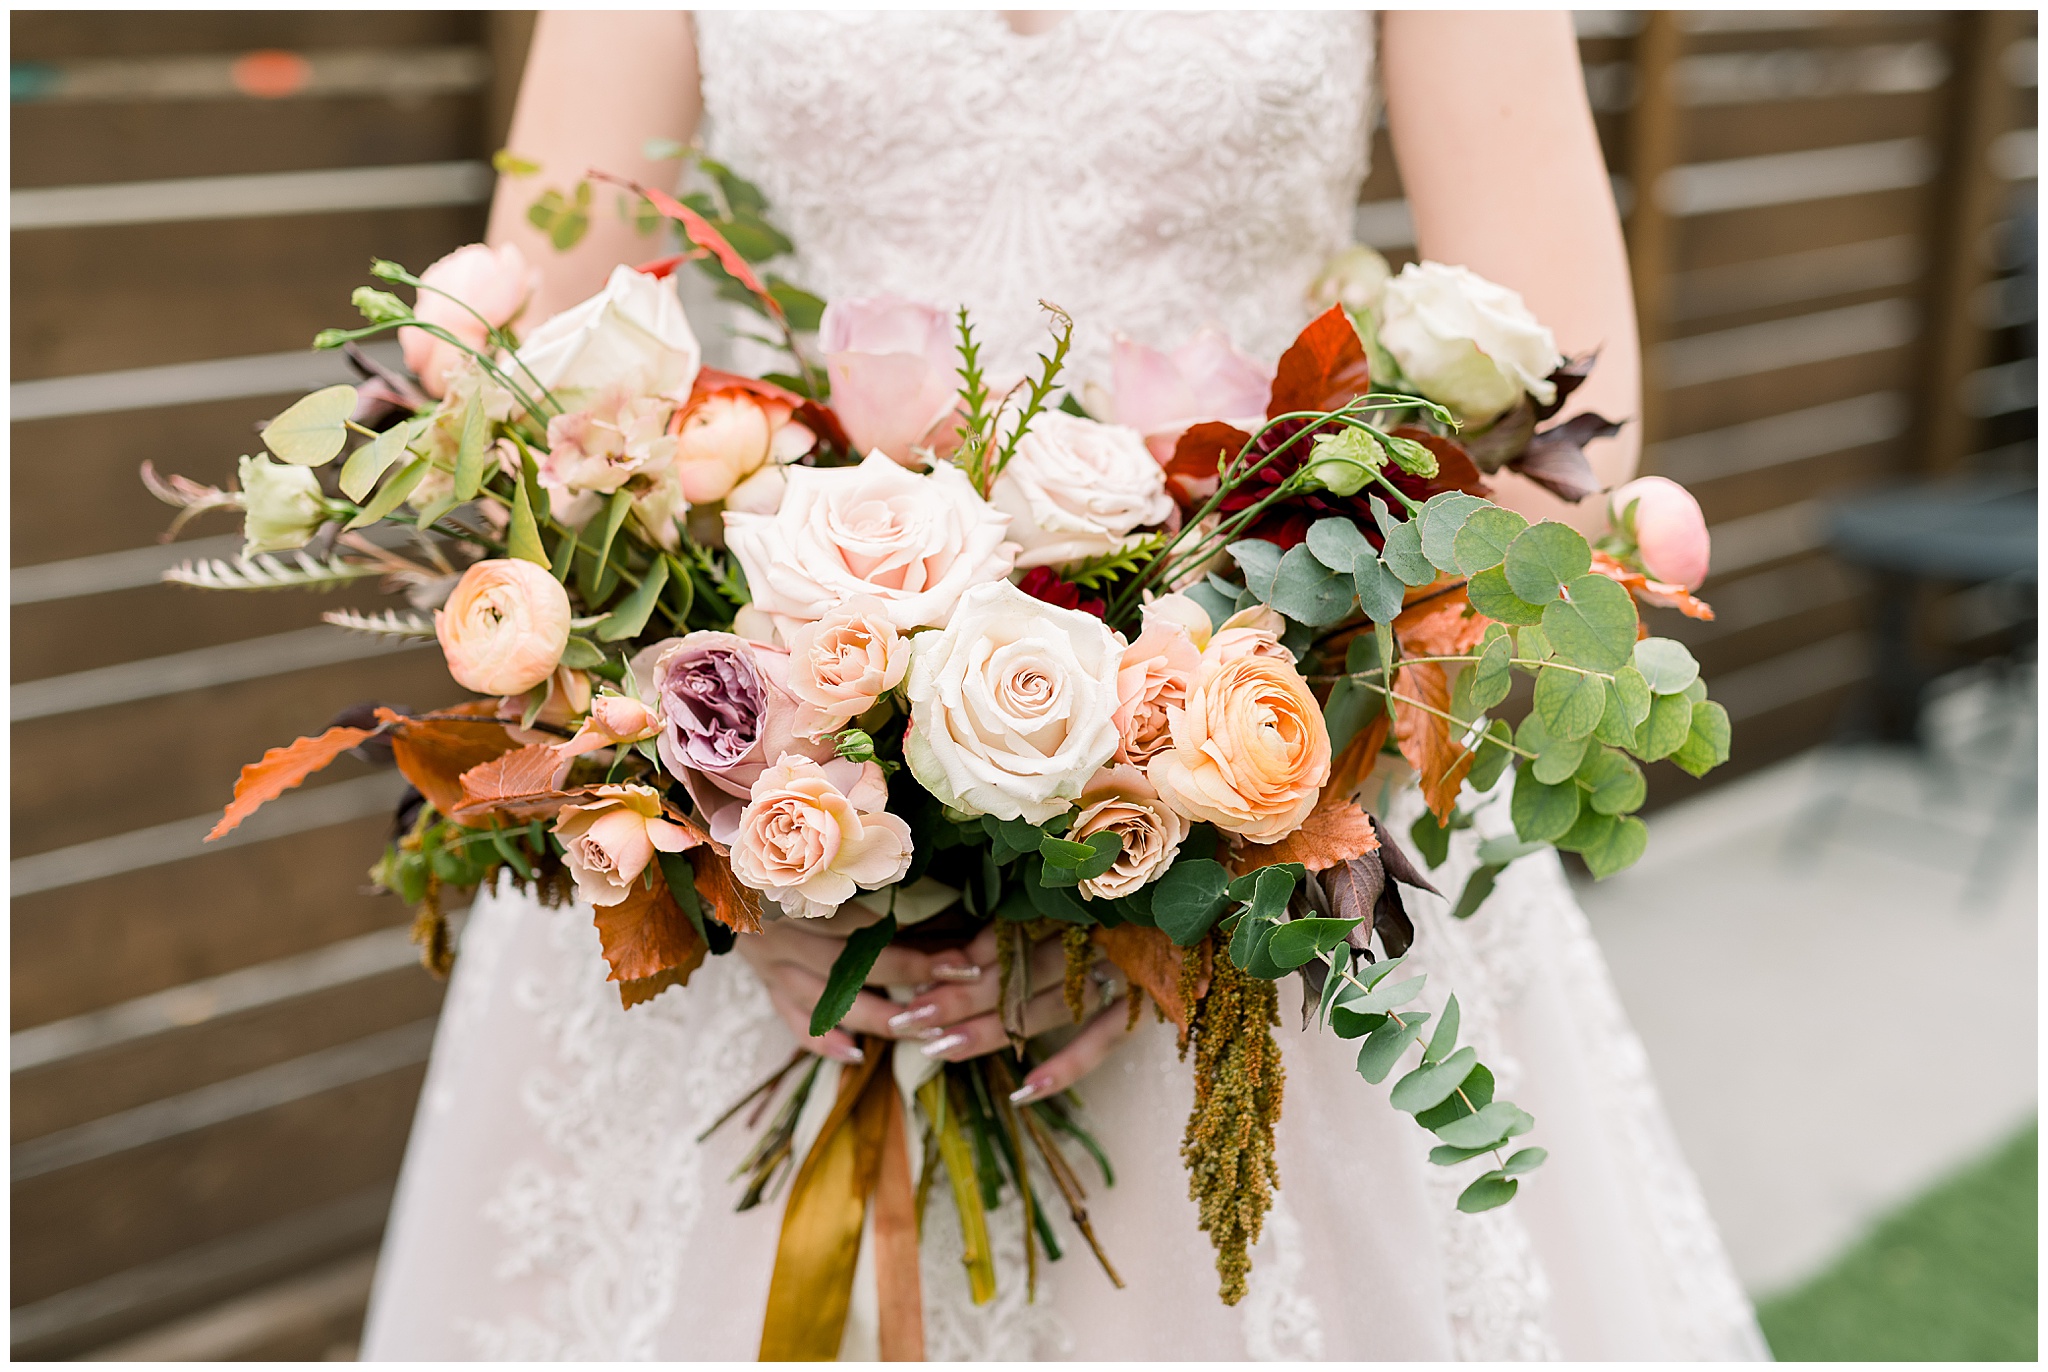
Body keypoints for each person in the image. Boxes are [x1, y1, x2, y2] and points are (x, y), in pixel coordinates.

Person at [361, 12, 1766, 1359]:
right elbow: (527, 387)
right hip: (775, 799)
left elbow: (1561, 457)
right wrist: (734, 846)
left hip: (1260, 830)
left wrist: (1202, 819)